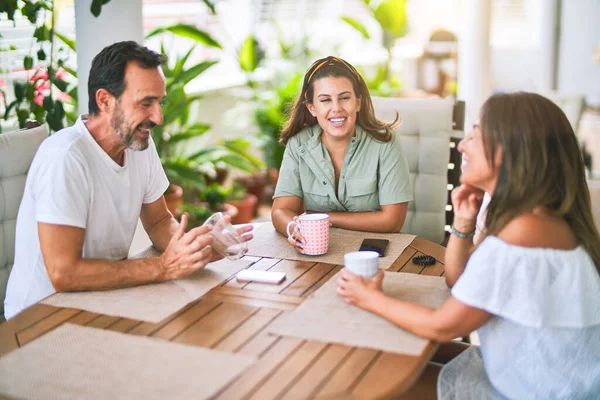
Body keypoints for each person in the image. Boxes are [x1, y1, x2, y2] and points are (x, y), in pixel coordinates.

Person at [336, 92, 600, 399]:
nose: (462, 145)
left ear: (508, 150)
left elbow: (442, 327)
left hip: (534, 391)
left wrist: (369, 297)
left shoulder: (525, 231)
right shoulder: (535, 219)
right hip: (523, 376)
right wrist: (462, 223)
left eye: (474, 135)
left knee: (371, 377)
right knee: (393, 354)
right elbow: (458, 281)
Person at [4, 41, 253, 320]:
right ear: (104, 100)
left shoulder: (137, 143)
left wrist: (193, 249)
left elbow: (159, 222)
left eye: (159, 102)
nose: (157, 117)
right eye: (146, 103)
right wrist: (164, 267)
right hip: (40, 316)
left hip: (101, 298)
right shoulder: (65, 158)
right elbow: (64, 272)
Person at [271, 56, 412, 252]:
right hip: (316, 252)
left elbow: (393, 221)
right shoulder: (298, 144)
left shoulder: (385, 143)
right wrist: (295, 228)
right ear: (312, 107)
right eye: (325, 100)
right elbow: (280, 210)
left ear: (358, 103)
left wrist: (322, 217)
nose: (336, 108)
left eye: (344, 98)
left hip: (375, 253)